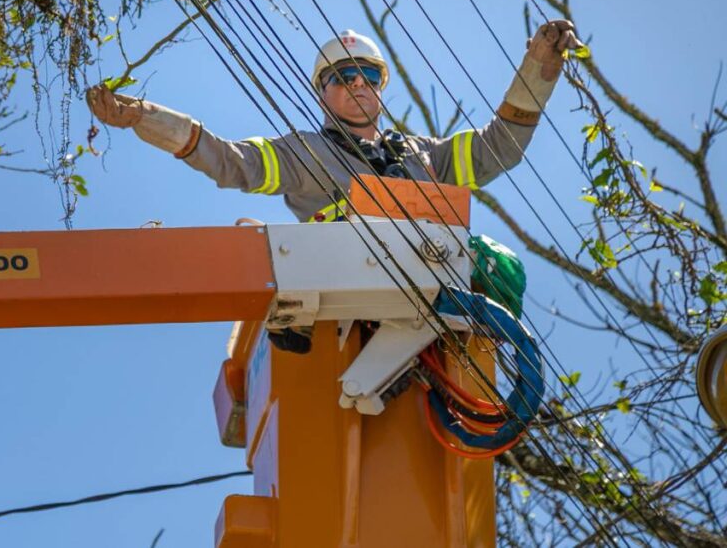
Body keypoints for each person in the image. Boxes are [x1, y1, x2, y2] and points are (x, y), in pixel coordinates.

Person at [87, 20, 581, 351]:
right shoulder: (304, 153)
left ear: (381, 86)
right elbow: (229, 161)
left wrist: (538, 73)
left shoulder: (424, 155)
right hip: (350, 296)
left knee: (502, 266)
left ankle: (480, 348)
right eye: (344, 76)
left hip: (431, 294)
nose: (359, 84)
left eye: (368, 74)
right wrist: (143, 118)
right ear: (323, 92)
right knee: (259, 241)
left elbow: (501, 148)